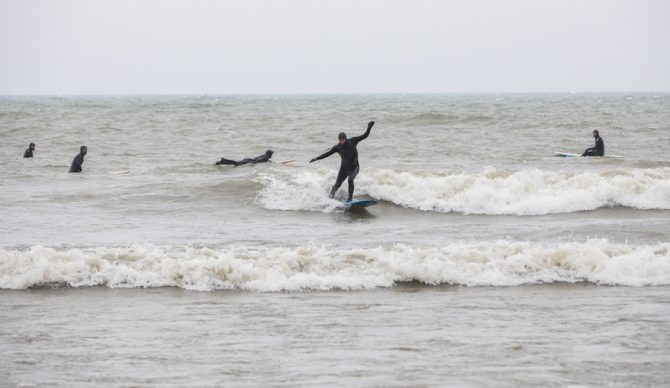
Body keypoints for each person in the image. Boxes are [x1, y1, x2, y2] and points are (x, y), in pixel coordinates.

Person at [310, 121, 374, 202]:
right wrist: (316, 158)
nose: (342, 141)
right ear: (339, 140)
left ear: (346, 138)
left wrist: (369, 128)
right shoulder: (337, 147)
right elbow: (327, 154)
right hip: (343, 170)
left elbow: (365, 136)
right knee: (335, 186)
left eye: (344, 139)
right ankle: (329, 200)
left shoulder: (353, 141)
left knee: (350, 180)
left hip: (355, 167)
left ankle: (349, 200)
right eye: (341, 140)